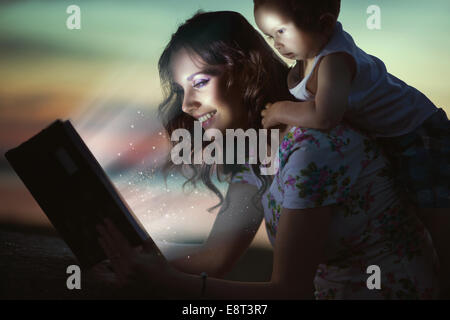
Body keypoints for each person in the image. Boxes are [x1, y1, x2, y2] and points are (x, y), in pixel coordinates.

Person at [94, 11, 439, 299]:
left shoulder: (311, 148)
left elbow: (290, 292)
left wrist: (166, 282)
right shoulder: (257, 151)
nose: (185, 105)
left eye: (199, 83)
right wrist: (133, 253)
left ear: (244, 70)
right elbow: (215, 257)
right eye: (181, 89)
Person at [253, 0, 450, 294]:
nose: (276, 43)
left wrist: (279, 111)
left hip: (418, 134)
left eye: (282, 31)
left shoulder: (334, 60)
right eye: (270, 35)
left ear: (325, 24)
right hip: (389, 137)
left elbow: (325, 116)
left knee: (435, 215)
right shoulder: (311, 50)